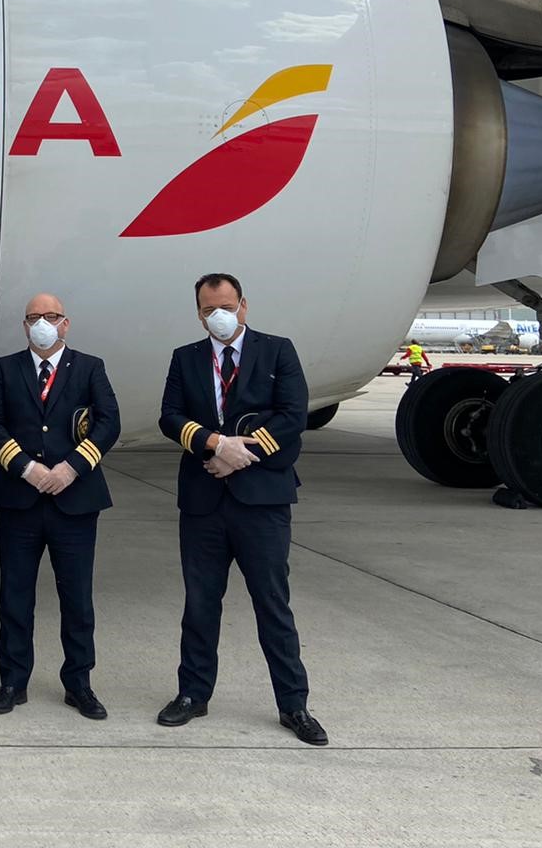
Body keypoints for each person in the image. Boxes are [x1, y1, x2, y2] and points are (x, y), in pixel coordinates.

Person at [155, 272, 327, 746]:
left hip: (262, 501)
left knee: (272, 604)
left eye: (227, 306)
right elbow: (170, 416)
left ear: (244, 306)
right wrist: (213, 444)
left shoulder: (277, 350)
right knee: (200, 603)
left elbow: (294, 415)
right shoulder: (185, 359)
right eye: (210, 309)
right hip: (203, 503)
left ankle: (294, 705)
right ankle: (192, 694)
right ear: (199, 314)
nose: (220, 316)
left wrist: (239, 457)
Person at [0, 293, 119, 720]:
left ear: (66, 323)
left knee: (76, 598)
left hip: (74, 501)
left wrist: (73, 468)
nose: (43, 323)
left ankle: (79, 684)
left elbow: (108, 421)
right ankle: (12, 682)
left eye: (51, 316)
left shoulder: (90, 367)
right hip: (19, 500)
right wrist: (25, 469)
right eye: (34, 317)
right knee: (15, 596)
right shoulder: (6, 368)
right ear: (24, 325)